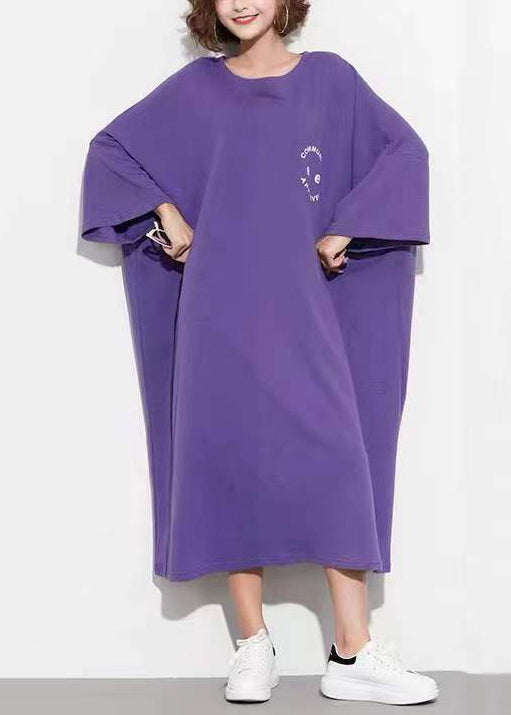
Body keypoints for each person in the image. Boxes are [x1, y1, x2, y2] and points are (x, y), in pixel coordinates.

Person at [80, 0, 438, 706]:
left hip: (311, 309)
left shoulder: (331, 82)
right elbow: (111, 151)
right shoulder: (195, 91)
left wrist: (347, 227)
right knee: (228, 457)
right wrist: (166, 210)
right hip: (219, 311)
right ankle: (253, 644)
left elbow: (405, 154)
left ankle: (352, 648)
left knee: (341, 455)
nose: (242, 1)